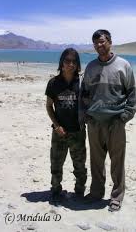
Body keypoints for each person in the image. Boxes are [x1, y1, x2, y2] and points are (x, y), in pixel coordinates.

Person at [80, 30, 136, 211]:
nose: (99, 45)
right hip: (95, 123)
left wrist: (124, 117)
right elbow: (84, 93)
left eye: (102, 42)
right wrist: (86, 116)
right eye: (96, 43)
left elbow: (132, 94)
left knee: (117, 161)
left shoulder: (123, 65)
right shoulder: (90, 67)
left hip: (116, 123)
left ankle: (116, 196)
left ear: (110, 42)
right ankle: (96, 192)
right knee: (96, 161)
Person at [45, 48, 87, 203]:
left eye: (74, 61)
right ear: (61, 63)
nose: (70, 64)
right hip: (59, 132)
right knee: (56, 164)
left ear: (77, 65)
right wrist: (56, 125)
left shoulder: (82, 83)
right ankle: (56, 190)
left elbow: (89, 103)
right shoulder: (53, 83)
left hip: (78, 132)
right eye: (67, 61)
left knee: (80, 165)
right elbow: (49, 106)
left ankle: (79, 191)